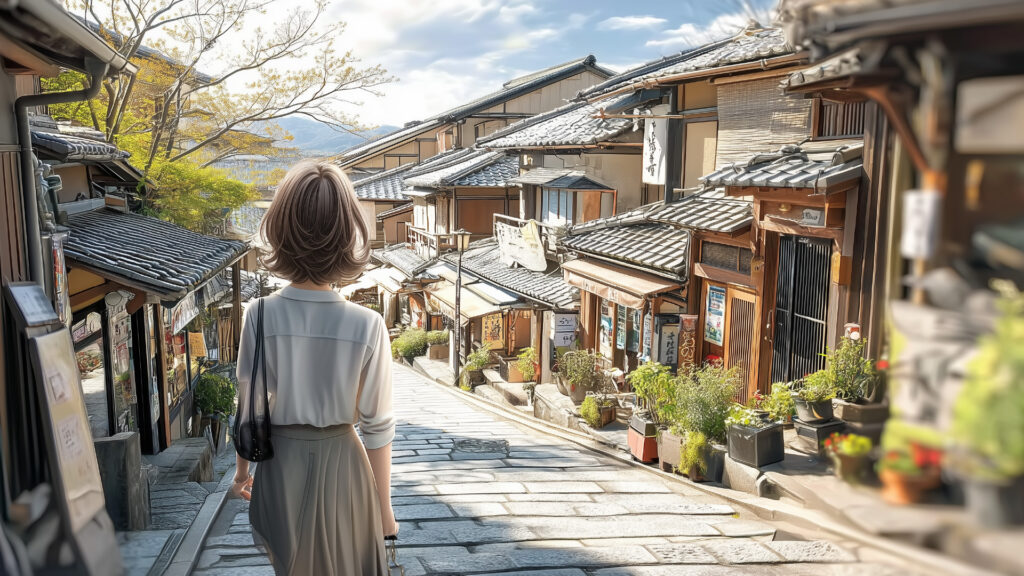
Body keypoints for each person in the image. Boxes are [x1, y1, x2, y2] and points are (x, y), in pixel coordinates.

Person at [231, 161, 396, 575]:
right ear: (348, 234)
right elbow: (377, 427)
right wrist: (385, 513)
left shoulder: (259, 314)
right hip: (345, 462)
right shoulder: (368, 324)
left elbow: (249, 406)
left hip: (280, 464)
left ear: (280, 230)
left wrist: (241, 473)